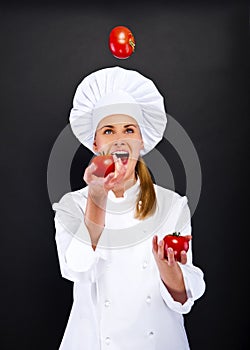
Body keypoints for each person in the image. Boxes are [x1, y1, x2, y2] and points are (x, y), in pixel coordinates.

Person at [52, 66, 206, 350]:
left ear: (141, 140)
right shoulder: (71, 206)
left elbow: (184, 299)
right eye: (109, 130)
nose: (120, 139)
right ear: (96, 143)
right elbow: (76, 265)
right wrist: (97, 196)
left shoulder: (173, 206)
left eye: (129, 129)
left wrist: (168, 269)